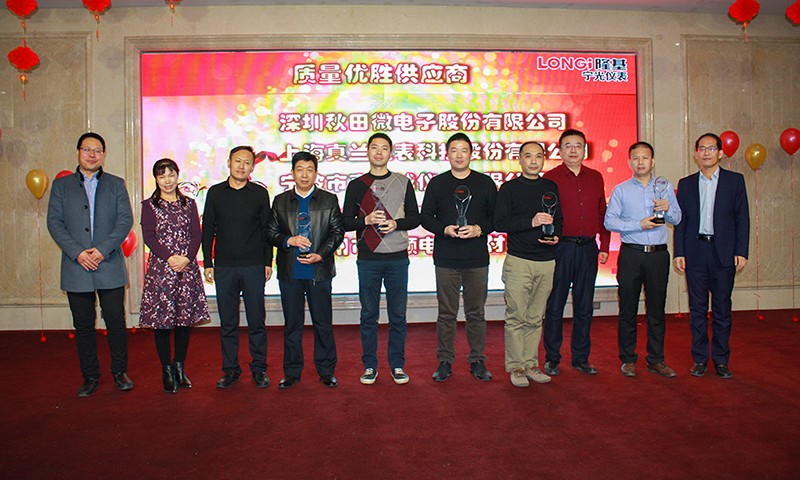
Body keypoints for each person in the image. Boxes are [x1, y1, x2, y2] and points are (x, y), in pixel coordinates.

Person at [47, 132, 134, 397]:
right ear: (78, 152)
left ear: (103, 155)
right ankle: (90, 376)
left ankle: (119, 372)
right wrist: (78, 253)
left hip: (109, 263)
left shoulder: (116, 184)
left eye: (97, 150)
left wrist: (102, 250)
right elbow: (55, 223)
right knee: (83, 324)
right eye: (87, 149)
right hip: (77, 266)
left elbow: (125, 220)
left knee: (115, 321)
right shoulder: (61, 186)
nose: (92, 154)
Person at [343, 133, 420, 385]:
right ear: (367, 151)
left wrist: (396, 223)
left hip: (398, 258)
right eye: (374, 147)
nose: (378, 152)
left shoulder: (403, 182)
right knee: (369, 314)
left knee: (398, 315)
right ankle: (369, 366)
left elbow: (415, 218)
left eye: (384, 148)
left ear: (391, 152)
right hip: (368, 259)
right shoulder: (356, 185)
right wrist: (365, 220)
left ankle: (397, 365)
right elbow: (345, 222)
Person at [420, 133, 496, 382]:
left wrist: (479, 229)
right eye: (454, 150)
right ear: (447, 154)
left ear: (471, 153)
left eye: (464, 150)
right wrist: (444, 229)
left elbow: (496, 217)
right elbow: (425, 217)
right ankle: (444, 361)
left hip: (476, 259)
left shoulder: (485, 183)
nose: (459, 155)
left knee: (476, 313)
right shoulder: (437, 183)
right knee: (446, 313)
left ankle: (477, 360)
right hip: (446, 258)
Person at [674, 133, 749, 379]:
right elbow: (681, 222)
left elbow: (742, 218)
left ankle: (721, 360)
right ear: (696, 154)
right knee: (697, 309)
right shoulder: (686, 184)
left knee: (722, 309)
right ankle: (699, 359)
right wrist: (679, 252)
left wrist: (741, 251)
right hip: (695, 251)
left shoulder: (735, 181)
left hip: (723, 253)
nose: (706, 153)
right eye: (702, 149)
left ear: (721, 153)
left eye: (711, 148)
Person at [266, 151, 344, 389]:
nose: (304, 174)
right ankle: (291, 372)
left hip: (319, 271)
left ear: (316, 173)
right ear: (292, 173)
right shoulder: (280, 201)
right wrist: (288, 240)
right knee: (292, 324)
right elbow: (270, 232)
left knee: (323, 323)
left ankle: (326, 371)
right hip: (290, 273)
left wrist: (321, 254)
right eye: (299, 169)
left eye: (309, 170)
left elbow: (337, 233)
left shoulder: (329, 200)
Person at [604, 142, 681, 378]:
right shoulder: (621, 190)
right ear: (629, 162)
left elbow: (677, 219)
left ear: (652, 161)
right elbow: (609, 221)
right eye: (635, 158)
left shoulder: (664, 187)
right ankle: (628, 359)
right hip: (631, 254)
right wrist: (638, 225)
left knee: (656, 309)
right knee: (627, 308)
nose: (640, 162)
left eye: (645, 158)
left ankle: (656, 359)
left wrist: (668, 209)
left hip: (658, 255)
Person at [202, 145, 273, 389]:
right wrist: (208, 262)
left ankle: (259, 368)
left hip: (253, 266)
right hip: (225, 267)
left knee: (256, 321)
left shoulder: (259, 194)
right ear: (229, 163)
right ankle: (230, 370)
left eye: (247, 162)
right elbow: (208, 229)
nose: (242, 166)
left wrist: (267, 261)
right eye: (237, 161)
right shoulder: (215, 193)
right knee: (228, 322)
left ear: (253, 167)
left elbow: (266, 230)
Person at [542, 128, 610, 376]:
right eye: (568, 145)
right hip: (560, 248)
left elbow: (602, 213)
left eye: (578, 145)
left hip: (588, 248)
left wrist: (604, 245)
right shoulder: (550, 178)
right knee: (555, 304)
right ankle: (552, 357)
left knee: (584, 305)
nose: (573, 150)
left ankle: (581, 357)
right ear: (560, 150)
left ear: (585, 150)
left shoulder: (596, 177)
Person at [495, 141, 562, 387]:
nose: (534, 161)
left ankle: (531, 364)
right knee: (516, 317)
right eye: (528, 156)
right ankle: (516, 367)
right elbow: (500, 223)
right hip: (519, 261)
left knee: (535, 317)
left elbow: (559, 219)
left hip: (546, 261)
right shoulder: (509, 188)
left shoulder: (550, 187)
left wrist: (557, 236)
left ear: (544, 159)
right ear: (520, 159)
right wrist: (530, 222)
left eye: (538, 156)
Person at [140, 158, 210, 393]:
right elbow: (149, 237)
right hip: (161, 270)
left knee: (183, 321)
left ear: (177, 176)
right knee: (161, 323)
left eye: (171, 175)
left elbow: (196, 235)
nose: (167, 180)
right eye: (162, 176)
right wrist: (170, 258)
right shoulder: (149, 205)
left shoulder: (189, 204)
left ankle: (179, 367)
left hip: (186, 270)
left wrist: (187, 258)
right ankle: (167, 370)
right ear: (156, 179)